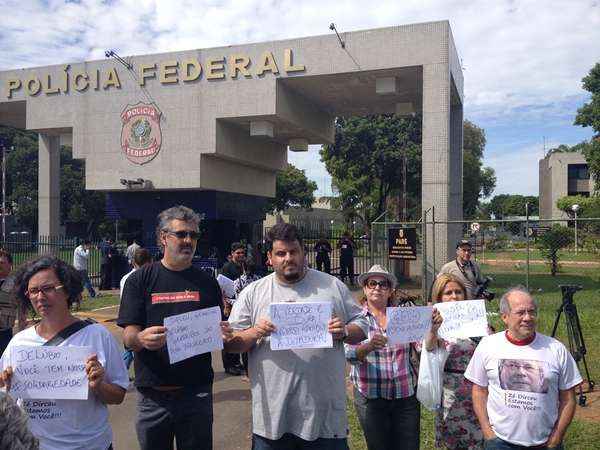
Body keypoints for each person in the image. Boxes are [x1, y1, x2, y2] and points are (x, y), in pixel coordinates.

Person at [226, 222, 368, 449]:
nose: (288, 258)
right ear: (270, 258)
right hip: (272, 421)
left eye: (293, 252)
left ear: (303, 253)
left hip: (325, 419)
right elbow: (232, 345)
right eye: (280, 253)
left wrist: (344, 331)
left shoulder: (332, 286)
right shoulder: (253, 292)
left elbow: (362, 325)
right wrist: (255, 332)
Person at [117, 205, 234, 450]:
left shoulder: (207, 282)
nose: (189, 240)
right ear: (163, 237)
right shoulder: (140, 280)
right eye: (181, 234)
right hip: (153, 396)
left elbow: (217, 328)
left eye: (193, 235)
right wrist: (141, 338)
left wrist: (223, 333)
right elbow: (128, 337)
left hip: (196, 393)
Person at [0, 256, 128, 450]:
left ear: (67, 289)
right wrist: (6, 383)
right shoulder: (19, 343)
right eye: (33, 291)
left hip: (91, 446)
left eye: (48, 288)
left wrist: (99, 385)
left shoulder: (97, 336)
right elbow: (5, 397)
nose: (40, 297)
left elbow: (118, 396)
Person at [464, 287, 582, 449]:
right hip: (500, 443)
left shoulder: (556, 349)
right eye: (520, 312)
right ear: (504, 317)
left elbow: (568, 398)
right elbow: (479, 390)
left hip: (545, 443)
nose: (528, 317)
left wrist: (556, 437)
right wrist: (487, 431)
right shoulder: (488, 346)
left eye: (532, 312)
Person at [345, 264, 423, 450]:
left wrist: (431, 329)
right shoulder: (356, 317)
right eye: (372, 283)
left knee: (409, 446)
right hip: (370, 396)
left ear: (390, 291)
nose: (377, 288)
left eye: (383, 284)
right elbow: (350, 355)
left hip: (405, 394)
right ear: (365, 288)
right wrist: (368, 347)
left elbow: (422, 347)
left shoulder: (404, 316)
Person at [424, 274, 484, 450]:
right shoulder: (432, 324)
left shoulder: (477, 321)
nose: (454, 296)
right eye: (448, 293)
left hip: (477, 391)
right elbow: (427, 348)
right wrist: (434, 330)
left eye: (458, 292)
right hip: (449, 393)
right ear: (439, 297)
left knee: (477, 441)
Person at [0, 250, 25, 356]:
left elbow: (22, 308)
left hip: (5, 331)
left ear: (10, 264)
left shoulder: (16, 283)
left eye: (1, 262)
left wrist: (22, 333)